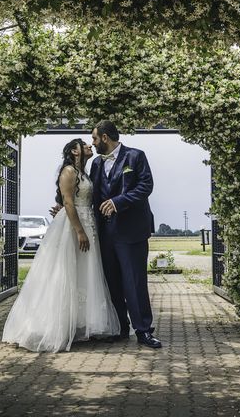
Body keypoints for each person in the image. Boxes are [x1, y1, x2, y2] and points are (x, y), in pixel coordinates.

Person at [2, 139, 120, 352]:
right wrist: (80, 231)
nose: (89, 147)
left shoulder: (82, 171)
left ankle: (78, 323)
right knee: (65, 271)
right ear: (75, 151)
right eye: (85, 145)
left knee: (84, 272)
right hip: (73, 227)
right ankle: (57, 324)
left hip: (87, 221)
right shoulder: (68, 171)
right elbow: (68, 202)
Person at [89, 120, 162, 349]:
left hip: (131, 231)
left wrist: (118, 202)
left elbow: (145, 186)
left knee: (135, 282)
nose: (92, 143)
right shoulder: (96, 164)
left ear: (105, 138)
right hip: (105, 232)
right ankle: (120, 327)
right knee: (112, 282)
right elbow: (91, 194)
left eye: (94, 138)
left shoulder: (136, 156)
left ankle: (143, 331)